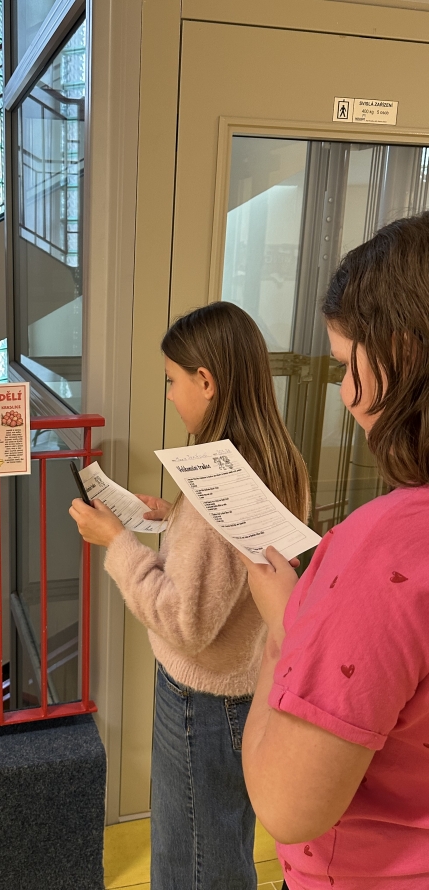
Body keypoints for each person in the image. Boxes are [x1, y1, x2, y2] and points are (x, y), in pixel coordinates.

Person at [69, 302, 311, 890]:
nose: (171, 395)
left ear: (207, 381)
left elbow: (186, 623)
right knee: (224, 842)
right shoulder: (280, 461)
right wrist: (173, 518)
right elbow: (240, 573)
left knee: (192, 862)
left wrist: (117, 544)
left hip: (199, 700)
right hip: (249, 687)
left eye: (172, 380)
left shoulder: (218, 483)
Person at [240, 213, 429, 890]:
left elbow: (287, 806)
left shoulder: (386, 545)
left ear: (402, 353)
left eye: (349, 365)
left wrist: (281, 629)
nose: (347, 396)